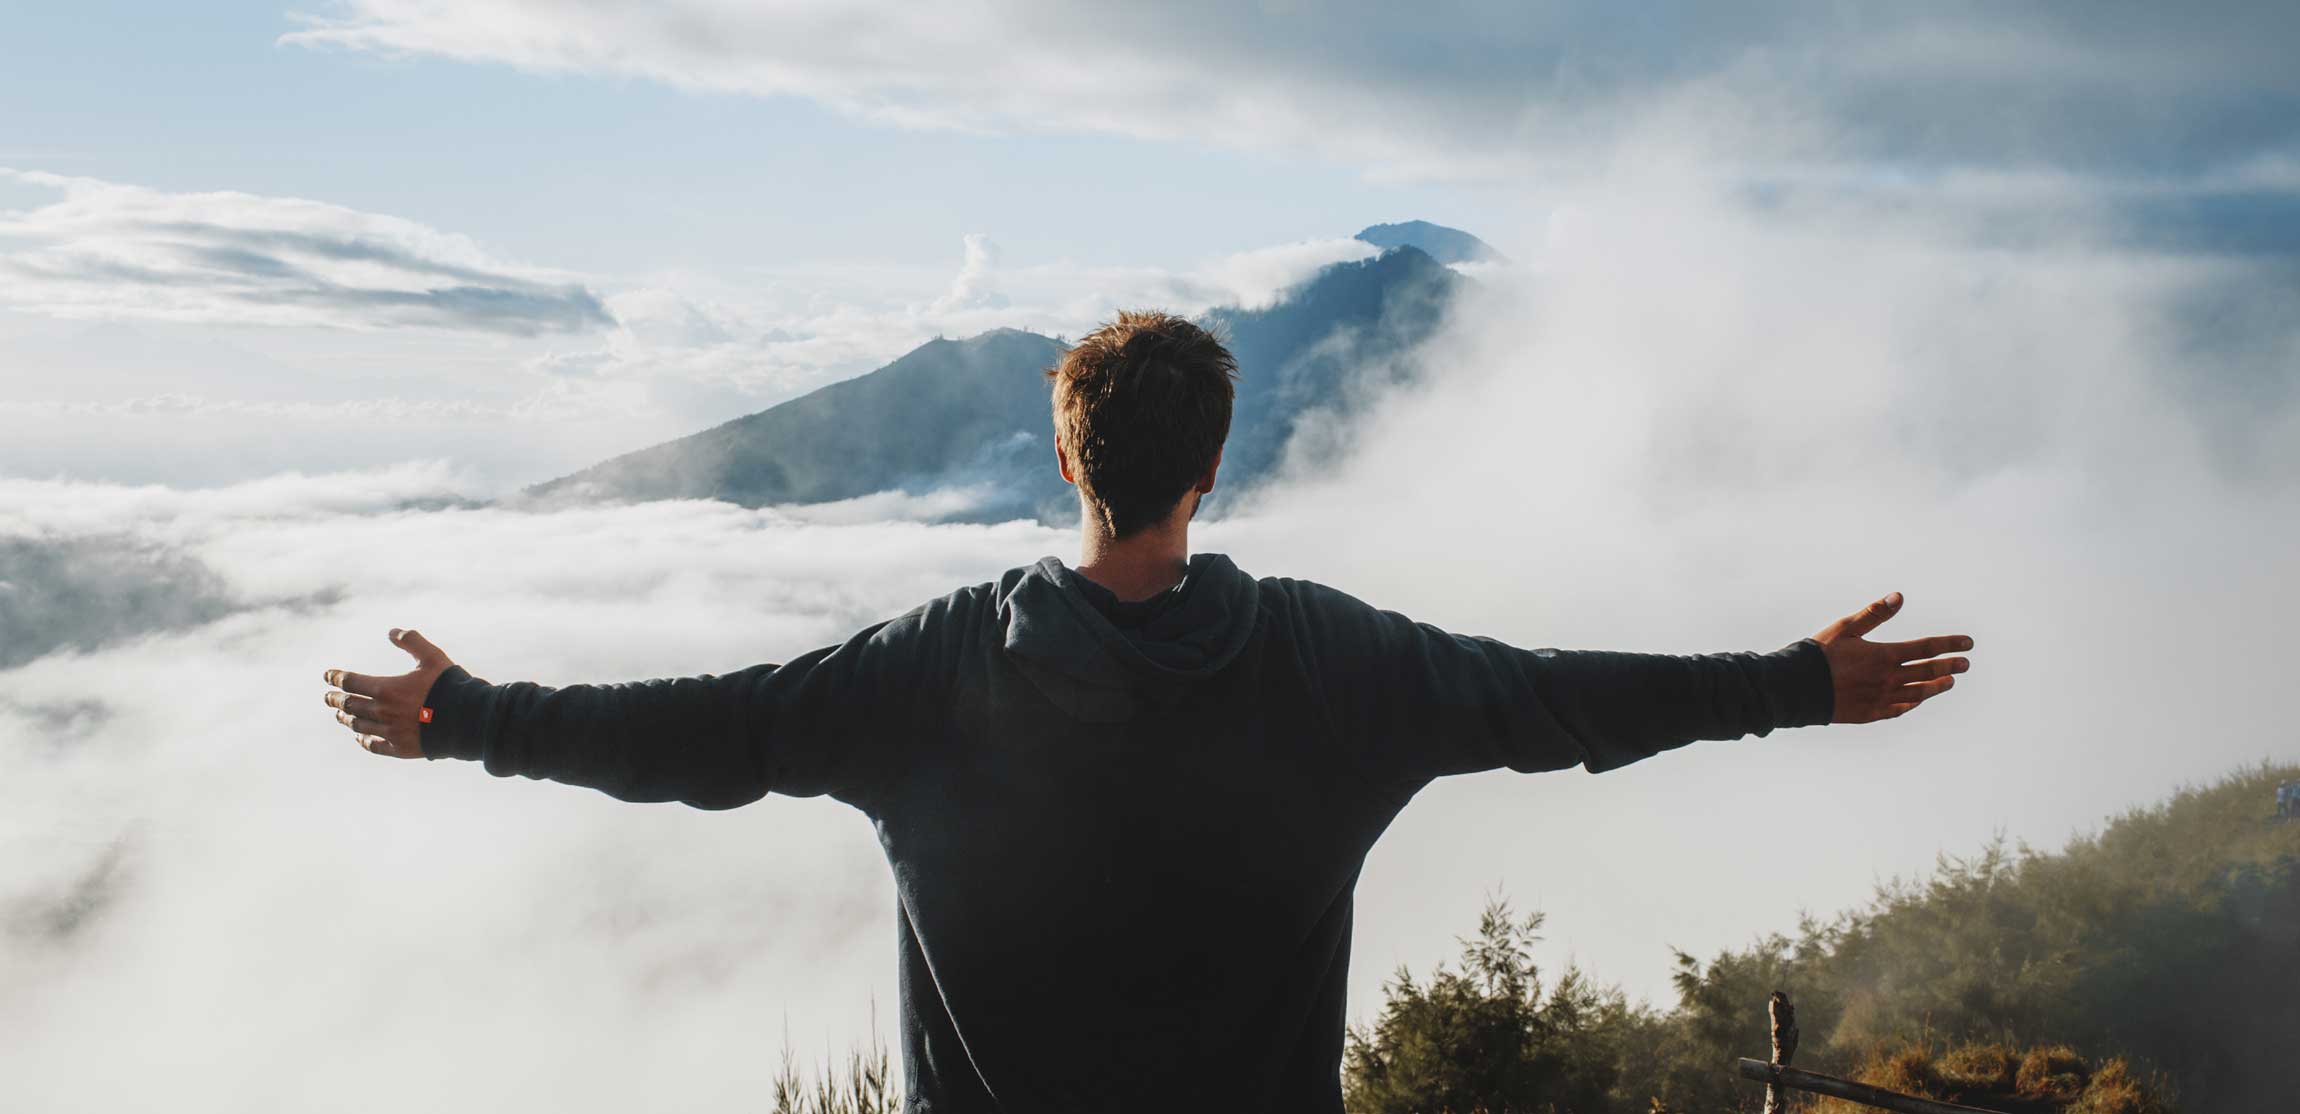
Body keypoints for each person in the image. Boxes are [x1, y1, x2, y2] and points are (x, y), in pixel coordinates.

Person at [321, 311, 1975, 1113]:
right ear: (1212, 468)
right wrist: (1794, 684)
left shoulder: (929, 674)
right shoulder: (1340, 667)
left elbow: (706, 733)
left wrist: (469, 714)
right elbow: (1561, 701)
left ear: (1066, 456)